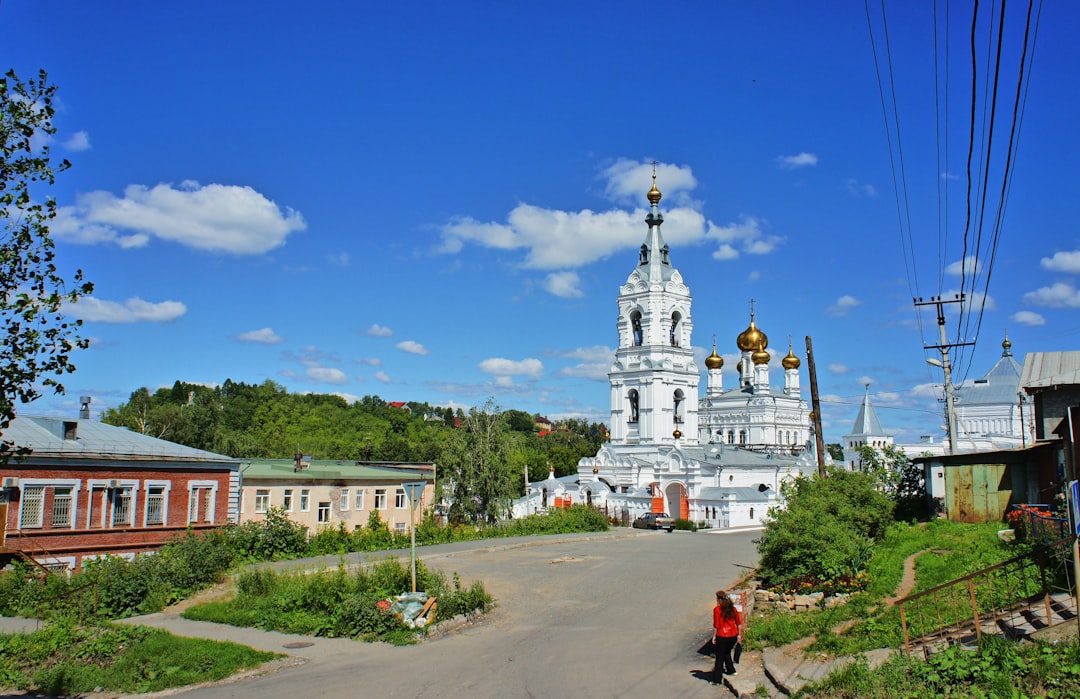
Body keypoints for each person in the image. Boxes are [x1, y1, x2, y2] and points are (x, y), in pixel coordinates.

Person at [712, 590, 742, 680]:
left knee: (719, 657)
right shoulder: (733, 609)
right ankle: (731, 670)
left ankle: (717, 679)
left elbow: (716, 625)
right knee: (727, 652)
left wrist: (714, 636)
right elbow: (739, 623)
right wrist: (739, 635)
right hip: (733, 635)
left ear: (719, 600)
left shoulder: (717, 610)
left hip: (722, 636)